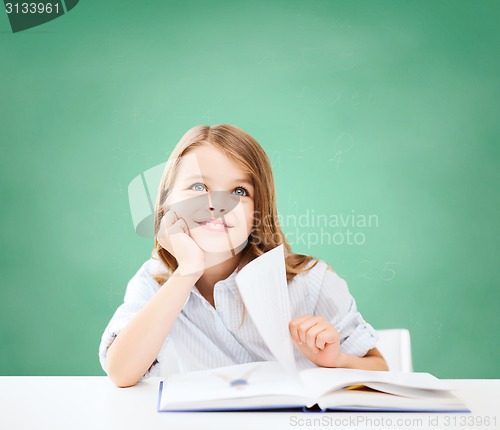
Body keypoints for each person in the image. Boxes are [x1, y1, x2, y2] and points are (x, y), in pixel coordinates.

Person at [99, 124, 388, 388]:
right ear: (165, 205)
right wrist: (187, 270)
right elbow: (121, 373)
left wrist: (336, 360)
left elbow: (381, 370)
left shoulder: (310, 281)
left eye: (239, 191)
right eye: (198, 187)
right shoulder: (153, 282)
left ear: (257, 213)